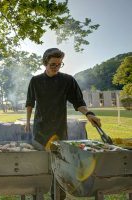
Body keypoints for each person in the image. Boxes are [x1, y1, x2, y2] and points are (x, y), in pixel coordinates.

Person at [24, 48, 101, 200]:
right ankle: (37, 194)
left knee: (60, 167)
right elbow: (29, 103)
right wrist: (27, 121)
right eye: (53, 64)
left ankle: (58, 197)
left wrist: (89, 114)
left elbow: (78, 102)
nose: (57, 67)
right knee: (39, 165)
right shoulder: (36, 81)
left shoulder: (68, 80)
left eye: (59, 64)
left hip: (59, 130)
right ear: (45, 62)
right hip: (40, 130)